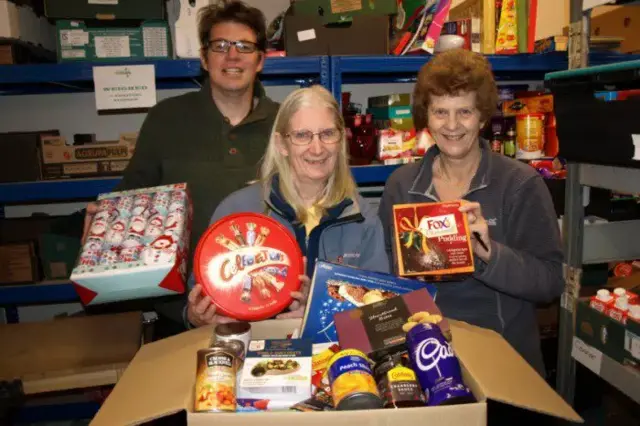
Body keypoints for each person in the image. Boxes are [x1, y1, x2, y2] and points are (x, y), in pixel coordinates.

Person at [80, 0, 279, 337]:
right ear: (204, 58)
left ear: (260, 60)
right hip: (182, 314)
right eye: (220, 46)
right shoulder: (166, 119)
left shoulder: (284, 123)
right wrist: (101, 229)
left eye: (245, 46)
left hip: (269, 310)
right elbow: (132, 197)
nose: (232, 56)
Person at [378, 49, 564, 377]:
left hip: (504, 362)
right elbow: (387, 279)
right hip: (428, 361)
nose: (452, 125)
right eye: (440, 112)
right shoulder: (402, 186)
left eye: (464, 111)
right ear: (426, 117)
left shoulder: (519, 184)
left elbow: (550, 282)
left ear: (481, 117)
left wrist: (488, 254)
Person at [186, 85, 390, 328]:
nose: (317, 148)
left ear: (340, 140)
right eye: (302, 135)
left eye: (327, 133)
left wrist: (320, 316)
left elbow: (381, 313)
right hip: (250, 356)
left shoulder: (361, 218)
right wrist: (196, 316)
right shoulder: (236, 211)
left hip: (336, 358)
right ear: (281, 144)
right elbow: (196, 302)